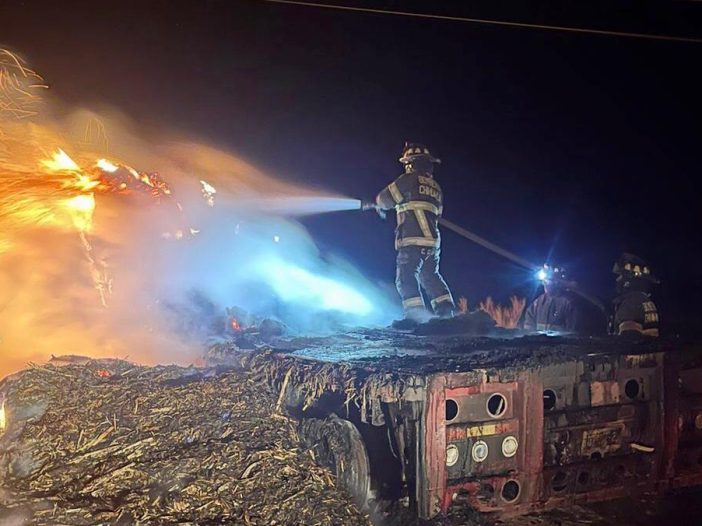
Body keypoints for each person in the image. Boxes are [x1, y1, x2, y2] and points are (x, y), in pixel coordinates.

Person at [367, 142, 455, 322]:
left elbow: (384, 199)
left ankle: (416, 317)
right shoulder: (436, 188)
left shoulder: (408, 180)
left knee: (406, 277)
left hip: (412, 240)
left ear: (410, 164)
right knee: (430, 276)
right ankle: (447, 314)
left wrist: (379, 205)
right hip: (433, 243)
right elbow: (437, 213)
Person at [611, 253, 660, 336]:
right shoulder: (644, 300)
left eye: (621, 275)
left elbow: (629, 340)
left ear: (628, 281)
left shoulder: (631, 303)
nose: (617, 279)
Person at [523, 264, 579, 333]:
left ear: (557, 282)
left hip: (560, 340)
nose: (546, 284)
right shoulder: (537, 303)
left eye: (549, 281)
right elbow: (528, 328)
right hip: (539, 340)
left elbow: (572, 332)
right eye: (545, 281)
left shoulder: (567, 303)